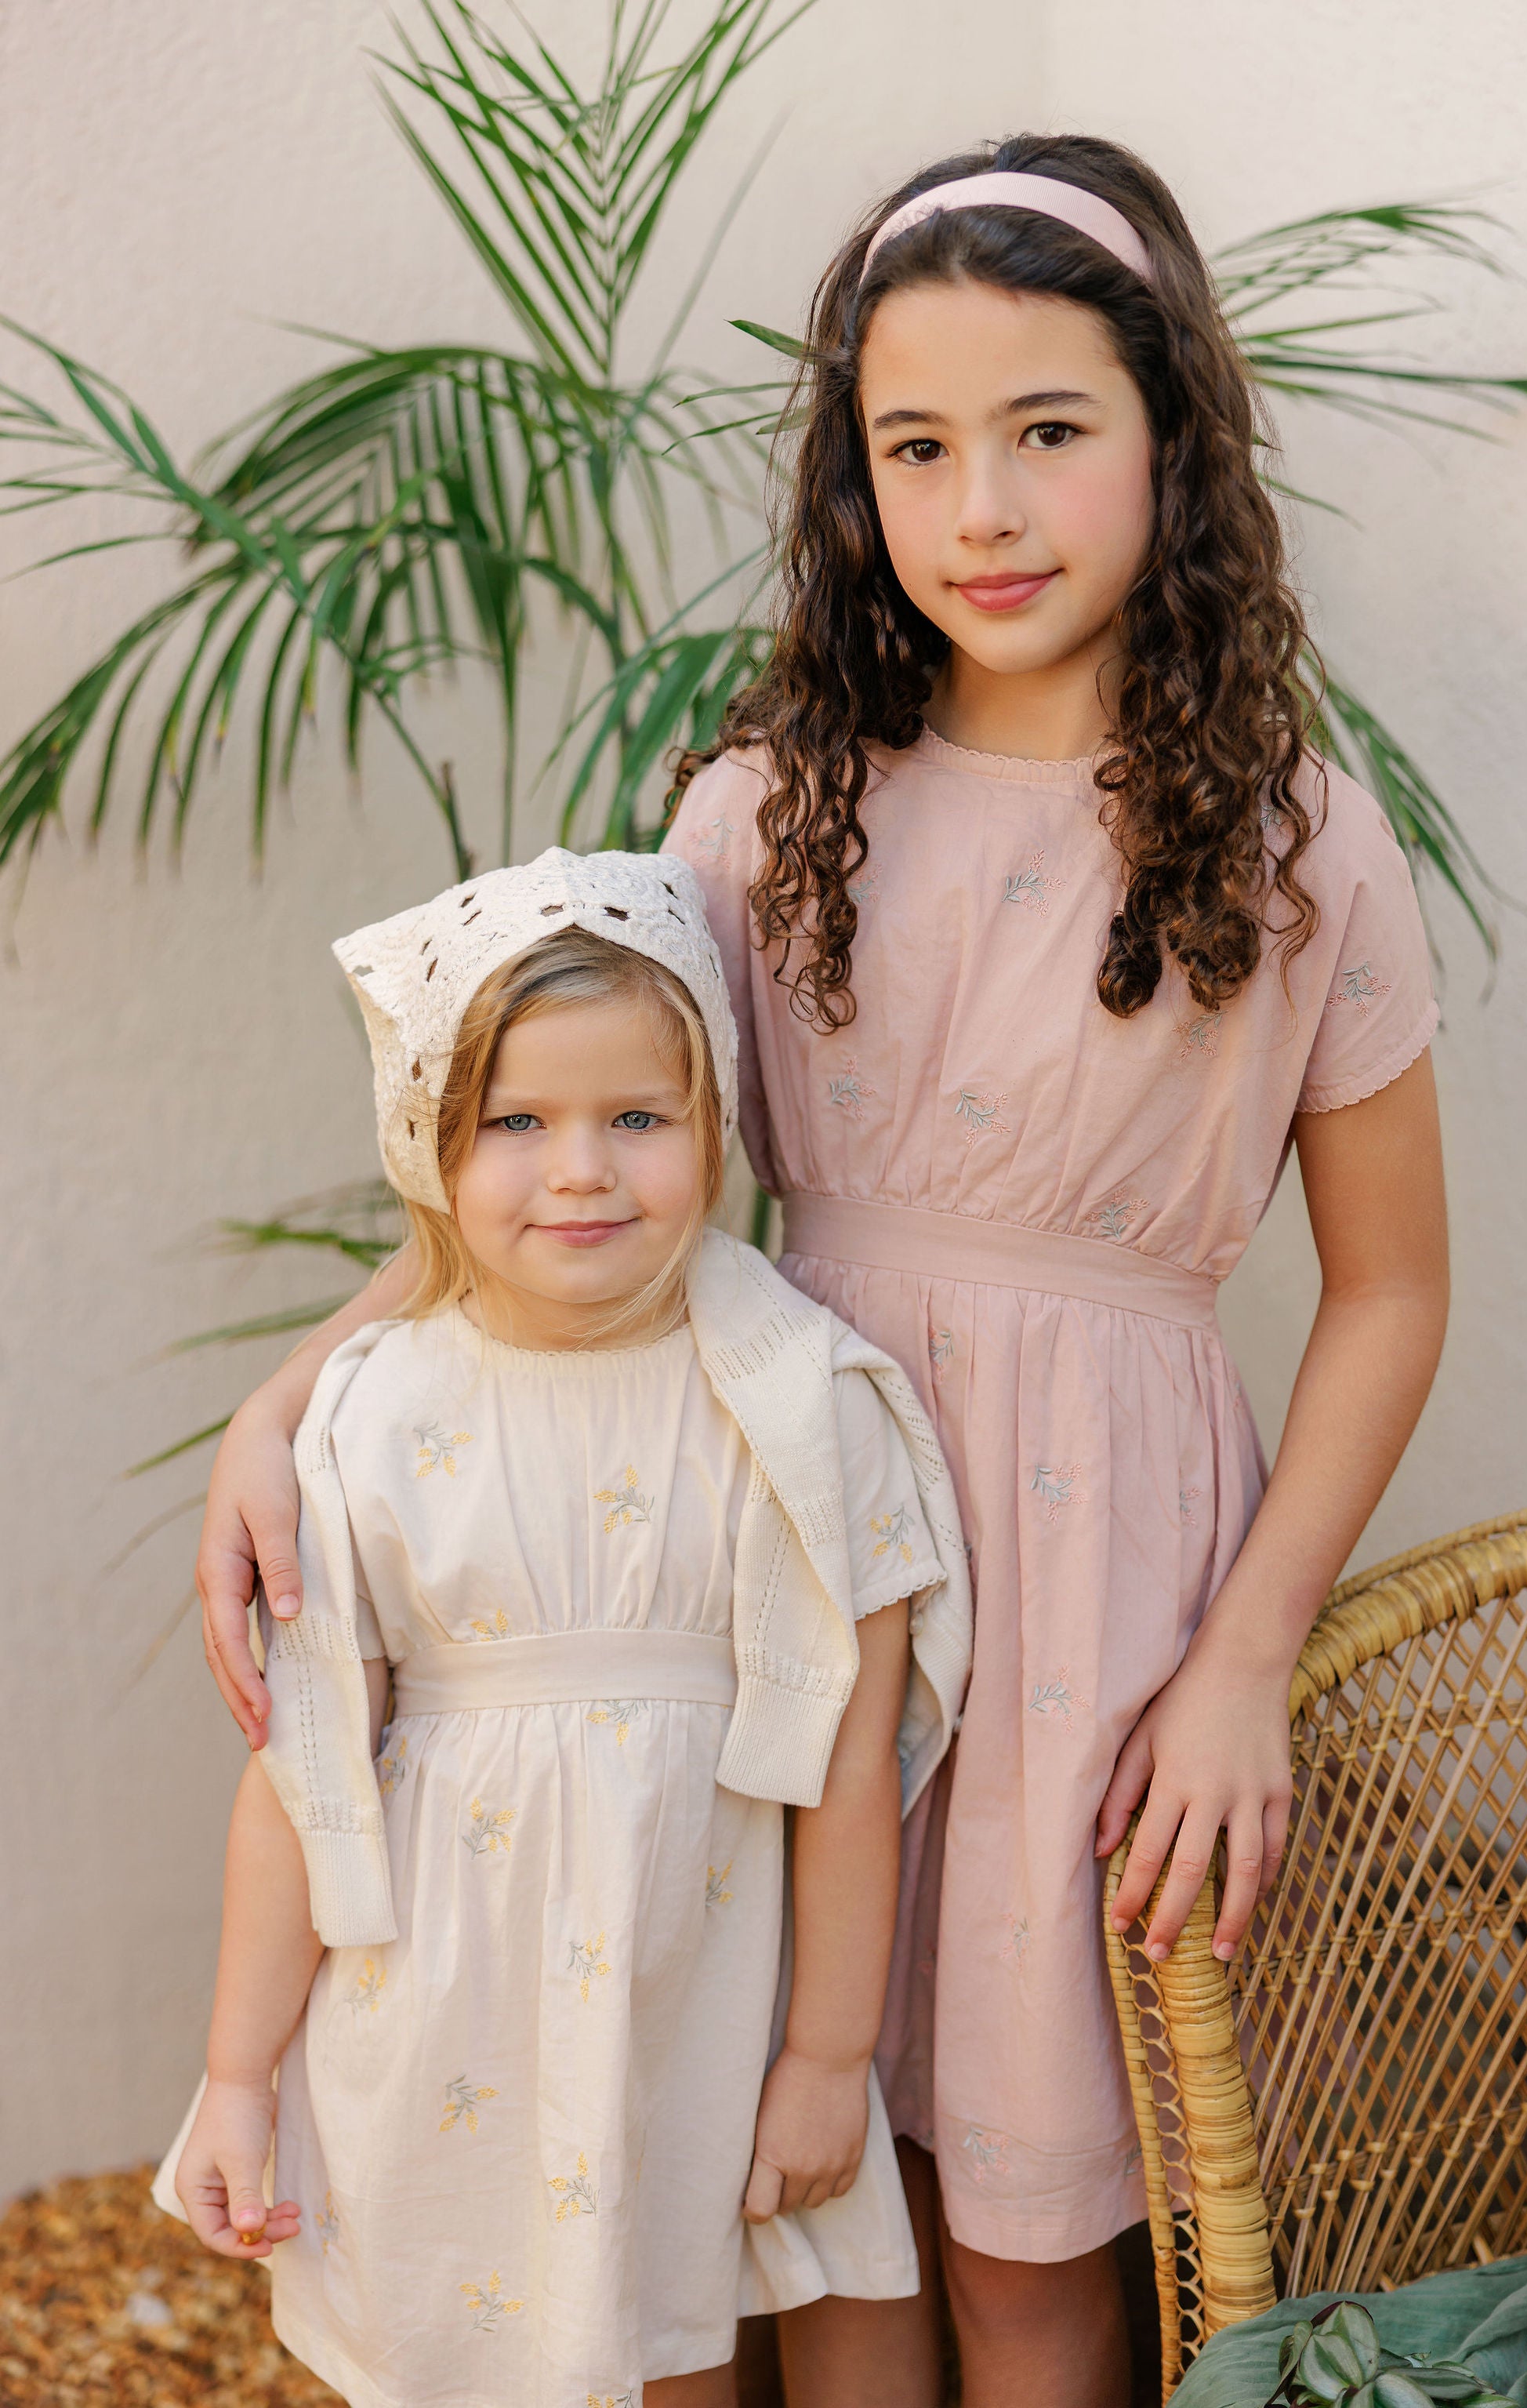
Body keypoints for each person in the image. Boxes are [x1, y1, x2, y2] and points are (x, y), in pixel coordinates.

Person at [192, 134, 1451, 2408]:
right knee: (787, 2205)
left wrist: (1247, 1660)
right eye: (916, 446)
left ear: (1174, 433)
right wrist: (293, 1400)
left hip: (1104, 1599)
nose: (984, 507)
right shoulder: (768, 809)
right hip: (764, 1564)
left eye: (1048, 430)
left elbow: (1390, 1289)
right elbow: (564, 1183)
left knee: (1029, 2241)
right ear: (854, 477)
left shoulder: (1296, 839)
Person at [155, 848, 972, 2408]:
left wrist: (824, 2059)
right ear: (429, 1148)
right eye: (516, 1124)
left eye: (638, 1119)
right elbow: (301, 1779)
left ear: (715, 1125)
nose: (582, 1170)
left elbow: (850, 1765)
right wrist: (237, 2075)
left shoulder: (801, 1405)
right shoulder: (374, 1412)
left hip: (688, 2005)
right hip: (437, 2008)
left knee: (668, 2356)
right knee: (452, 2348)